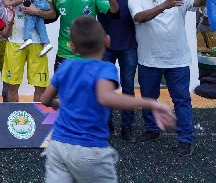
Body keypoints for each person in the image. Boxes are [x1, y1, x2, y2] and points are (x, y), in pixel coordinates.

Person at [41, 16, 175, 183]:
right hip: (89, 149)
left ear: (73, 48)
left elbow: (45, 99)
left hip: (58, 146)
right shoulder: (106, 68)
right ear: (107, 40)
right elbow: (105, 97)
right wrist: (149, 102)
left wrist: (60, 103)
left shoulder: (66, 65)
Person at [128, 0, 206, 156]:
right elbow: (140, 17)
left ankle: (185, 139)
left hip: (177, 60)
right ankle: (152, 129)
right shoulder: (135, 0)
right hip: (149, 60)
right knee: (148, 99)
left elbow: (197, 3)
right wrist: (164, 5)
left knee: (181, 100)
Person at [36, 0, 119, 71]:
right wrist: (37, 5)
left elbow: (115, 14)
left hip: (88, 54)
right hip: (64, 53)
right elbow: (51, 17)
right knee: (61, 87)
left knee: (87, 87)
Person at [97, 0, 139, 141]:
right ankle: (106, 126)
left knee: (128, 88)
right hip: (106, 48)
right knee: (106, 88)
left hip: (129, 46)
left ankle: (127, 127)